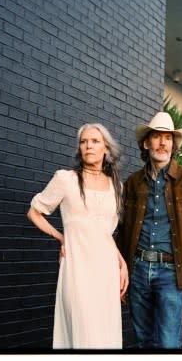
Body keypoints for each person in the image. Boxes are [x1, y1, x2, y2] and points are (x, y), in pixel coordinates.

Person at [117, 111, 182, 349]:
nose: (162, 143)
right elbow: (122, 229)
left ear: (173, 145)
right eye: (157, 137)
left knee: (167, 343)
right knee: (143, 340)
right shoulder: (132, 183)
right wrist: (120, 273)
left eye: (168, 138)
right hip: (138, 270)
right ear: (146, 142)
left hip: (171, 271)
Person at [27, 123, 129, 349]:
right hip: (77, 271)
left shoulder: (116, 186)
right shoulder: (66, 180)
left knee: (105, 336)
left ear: (106, 149)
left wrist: (122, 264)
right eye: (83, 142)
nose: (88, 146)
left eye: (94, 141)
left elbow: (104, 233)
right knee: (84, 337)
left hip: (106, 272)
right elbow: (34, 212)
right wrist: (60, 237)